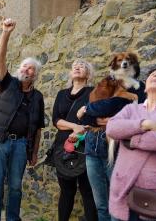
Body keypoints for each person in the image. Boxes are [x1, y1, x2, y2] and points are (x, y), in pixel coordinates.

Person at [0, 18, 45, 221]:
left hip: (20, 145)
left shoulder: (38, 97)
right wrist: (6, 33)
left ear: (35, 74)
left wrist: (34, 152)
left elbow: (38, 128)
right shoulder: (8, 83)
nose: (26, 70)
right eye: (24, 66)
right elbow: (0, 59)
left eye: (31, 68)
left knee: (16, 188)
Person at [106, 64, 156, 221]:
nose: (155, 75)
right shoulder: (131, 109)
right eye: (152, 74)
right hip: (123, 192)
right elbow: (111, 128)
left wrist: (132, 139)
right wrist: (145, 124)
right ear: (144, 88)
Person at [77, 64, 146, 221]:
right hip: (92, 149)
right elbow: (83, 117)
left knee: (119, 204)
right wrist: (91, 113)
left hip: (117, 150)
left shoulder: (138, 88)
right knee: (101, 204)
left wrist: (88, 110)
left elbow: (113, 107)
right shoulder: (107, 85)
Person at [50, 60, 97, 221]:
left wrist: (80, 131)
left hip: (85, 147)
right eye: (74, 66)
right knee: (66, 190)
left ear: (88, 74)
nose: (77, 68)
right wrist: (75, 127)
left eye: (82, 66)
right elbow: (56, 120)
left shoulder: (93, 92)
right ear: (70, 73)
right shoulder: (61, 94)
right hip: (63, 148)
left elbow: (94, 119)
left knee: (87, 190)